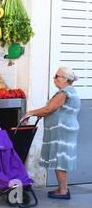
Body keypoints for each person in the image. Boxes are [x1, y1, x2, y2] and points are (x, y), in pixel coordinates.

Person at [25, 66, 80, 200]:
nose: (54, 78)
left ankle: (63, 191)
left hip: (62, 132)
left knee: (59, 159)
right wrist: (42, 114)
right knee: (60, 159)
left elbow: (49, 108)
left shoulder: (64, 93)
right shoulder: (68, 91)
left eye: (57, 76)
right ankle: (63, 188)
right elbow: (53, 110)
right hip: (64, 131)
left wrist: (30, 113)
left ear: (66, 79)